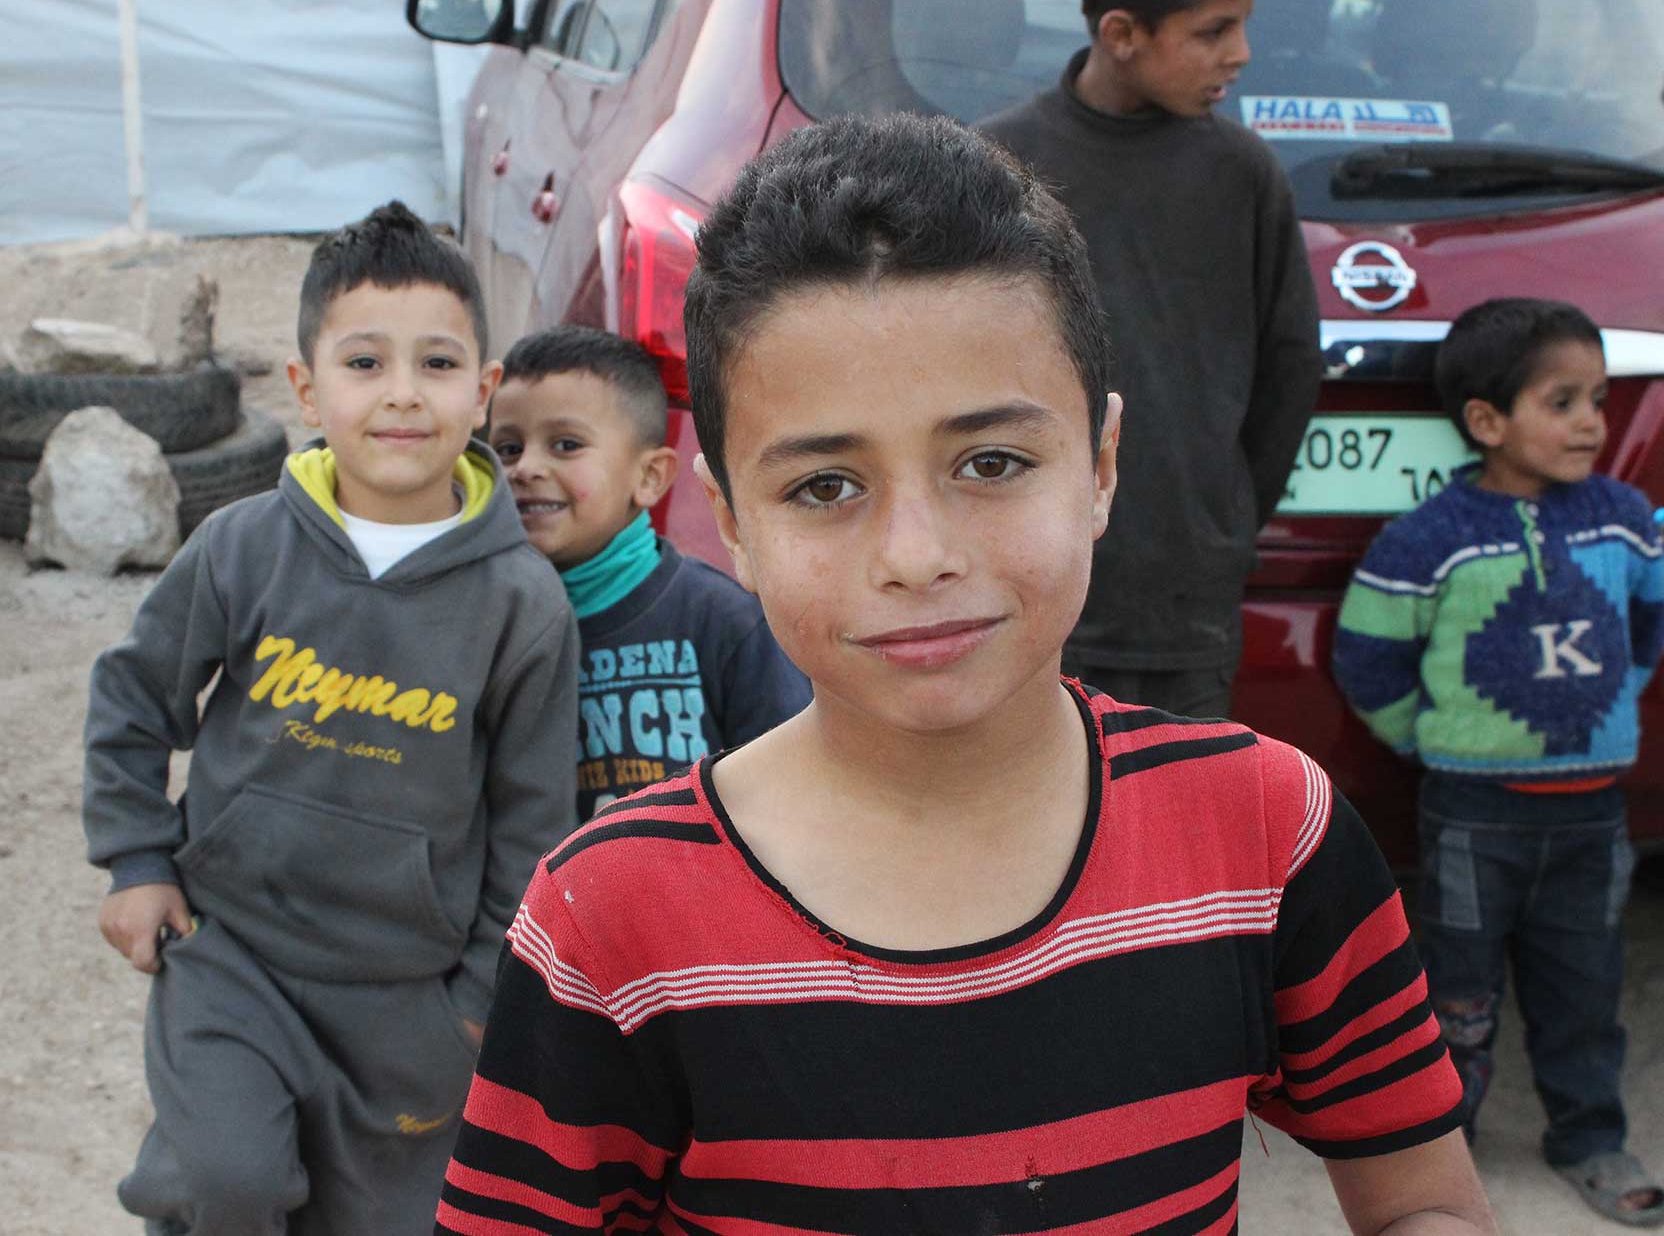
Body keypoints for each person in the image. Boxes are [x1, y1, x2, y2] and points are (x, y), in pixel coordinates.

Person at [434, 114, 1492, 1235]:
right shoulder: (610, 917)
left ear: (1099, 465)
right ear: (726, 518)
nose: (915, 554)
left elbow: (1422, 1200)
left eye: (990, 462)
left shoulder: (1262, 834)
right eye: (823, 486)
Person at [83, 201, 578, 1236]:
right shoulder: (241, 548)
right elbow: (135, 695)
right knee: (228, 1183)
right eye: (364, 362)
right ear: (306, 386)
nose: (401, 393)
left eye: (437, 363)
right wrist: (136, 857)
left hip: (409, 996)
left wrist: (483, 996)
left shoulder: (520, 605)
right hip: (233, 951)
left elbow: (534, 821)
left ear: (482, 391)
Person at [1334, 298, 1664, 1227]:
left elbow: (1646, 621)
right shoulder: (1431, 539)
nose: (1593, 422)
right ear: (1486, 421)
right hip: (1474, 817)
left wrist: (1605, 699)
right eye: (1563, 401)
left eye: (1599, 398)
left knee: (1585, 987)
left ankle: (1591, 1136)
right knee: (1457, 990)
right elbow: (1366, 653)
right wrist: (1427, 737)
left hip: (1593, 816)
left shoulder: (1624, 519)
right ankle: (1443, 1148)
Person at [978, 0, 1320, 717]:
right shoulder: (999, 169)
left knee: (1179, 825)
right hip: (1028, 599)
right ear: (1122, 32)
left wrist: (1223, 521)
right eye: (1213, 31)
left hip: (1183, 609)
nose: (1239, 55)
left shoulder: (1241, 174)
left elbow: (1291, 363)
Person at [487, 325, 810, 821]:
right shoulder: (487, 626)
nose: (525, 467)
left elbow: (794, 797)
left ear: (649, 476)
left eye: (566, 444)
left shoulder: (724, 621)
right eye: (507, 448)